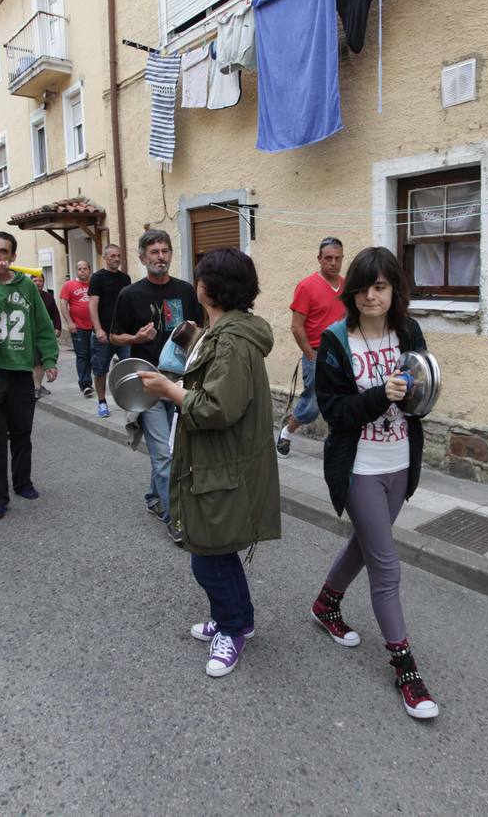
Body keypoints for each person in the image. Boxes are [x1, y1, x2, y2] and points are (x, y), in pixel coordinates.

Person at [136, 249, 280, 678]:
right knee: (218, 549)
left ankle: (233, 629)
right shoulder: (224, 331)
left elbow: (219, 407)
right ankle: (238, 617)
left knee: (206, 551)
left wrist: (169, 390)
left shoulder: (233, 340)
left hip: (224, 462)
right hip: (221, 460)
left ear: (206, 288)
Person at [312, 246, 438, 720]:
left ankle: (326, 604)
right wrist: (377, 395)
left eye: (381, 287)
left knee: (366, 547)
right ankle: (406, 669)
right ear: (352, 291)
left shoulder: (408, 332)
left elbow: (423, 395)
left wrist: (415, 395)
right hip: (360, 465)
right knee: (386, 566)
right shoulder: (336, 341)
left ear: (394, 291)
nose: (371, 296)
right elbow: (335, 412)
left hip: (400, 460)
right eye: (363, 287)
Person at [109, 230, 199, 544]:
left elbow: (201, 330)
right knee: (163, 454)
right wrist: (136, 339)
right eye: (153, 252)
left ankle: (153, 495)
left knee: (177, 449)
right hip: (148, 382)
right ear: (142, 257)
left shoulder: (187, 291)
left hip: (181, 382)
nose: (160, 256)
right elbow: (114, 337)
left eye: (164, 250)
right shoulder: (130, 295)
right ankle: (174, 517)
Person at [0, 233, 57, 520]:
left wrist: (50, 358)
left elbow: (42, 324)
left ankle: (22, 482)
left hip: (20, 369)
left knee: (22, 431)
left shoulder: (28, 286)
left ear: (13, 257)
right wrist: (1, 285)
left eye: (4, 251)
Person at [278, 236, 346, 457]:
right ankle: (287, 431)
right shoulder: (307, 286)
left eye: (337, 258)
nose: (333, 263)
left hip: (342, 355)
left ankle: (338, 443)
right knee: (312, 406)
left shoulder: (346, 286)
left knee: (343, 399)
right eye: (328, 258)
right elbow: (297, 327)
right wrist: (310, 355)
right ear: (319, 259)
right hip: (316, 353)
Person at [87, 244, 132, 417]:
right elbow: (93, 305)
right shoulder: (97, 278)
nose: (116, 259)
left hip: (123, 334)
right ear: (105, 257)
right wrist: (98, 329)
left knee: (130, 367)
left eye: (119, 256)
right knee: (100, 370)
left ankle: (129, 400)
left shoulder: (125, 279)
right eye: (113, 256)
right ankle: (102, 402)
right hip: (103, 335)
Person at [60, 259, 95, 396]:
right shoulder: (69, 285)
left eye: (85, 268)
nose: (82, 271)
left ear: (89, 270)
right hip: (78, 327)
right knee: (82, 356)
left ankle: (95, 378)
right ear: (77, 270)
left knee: (94, 355)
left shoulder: (94, 284)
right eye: (79, 269)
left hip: (94, 327)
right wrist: (69, 322)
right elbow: (63, 303)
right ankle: (85, 383)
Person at [30, 271, 63, 399]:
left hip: (43, 335)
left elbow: (55, 313)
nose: (38, 283)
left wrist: (57, 328)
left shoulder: (48, 297)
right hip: (30, 335)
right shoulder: (27, 296)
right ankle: (35, 386)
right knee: (35, 362)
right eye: (35, 281)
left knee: (42, 361)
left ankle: (37, 385)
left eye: (40, 281)